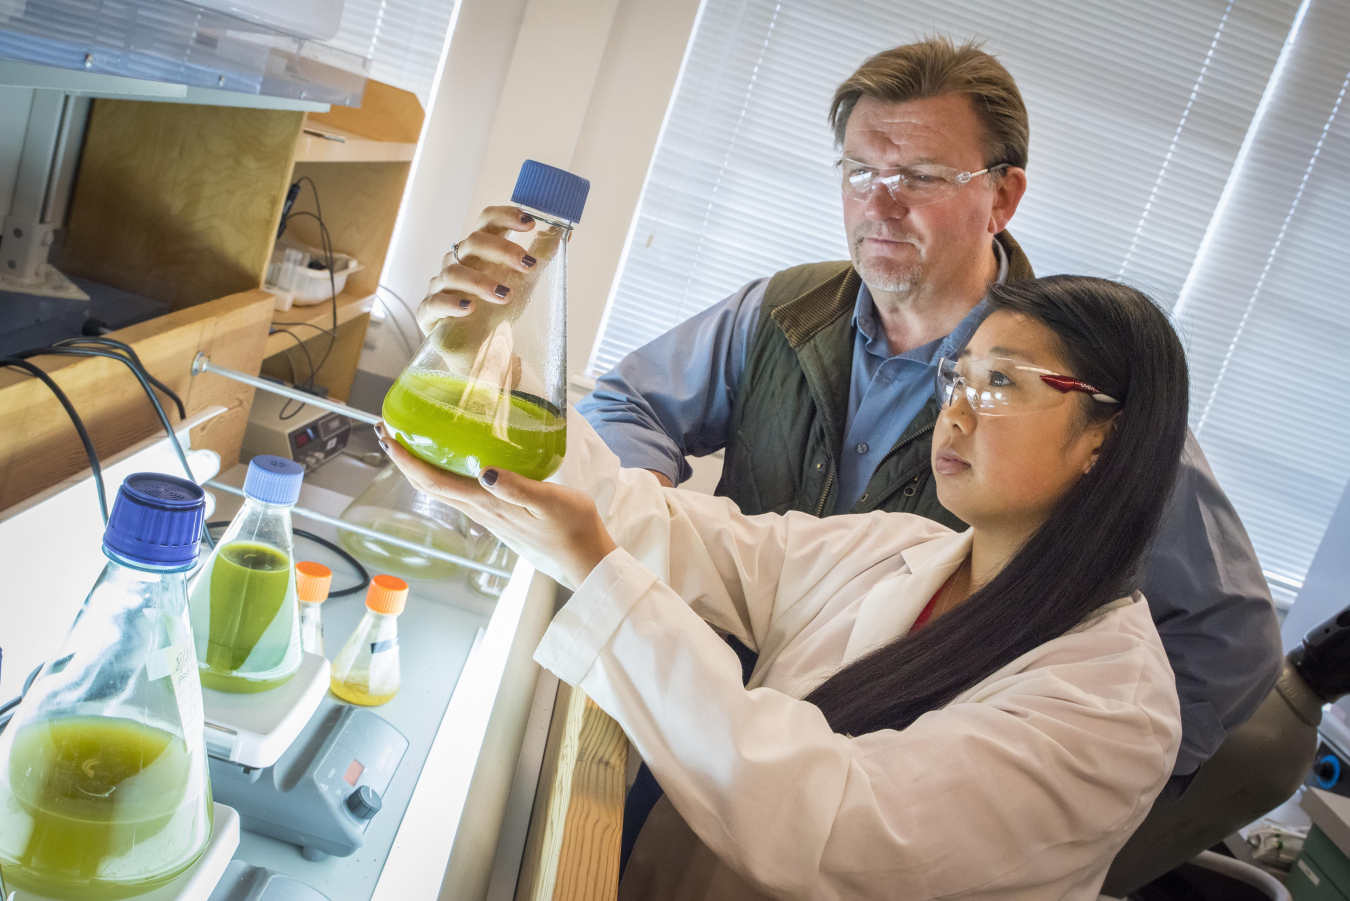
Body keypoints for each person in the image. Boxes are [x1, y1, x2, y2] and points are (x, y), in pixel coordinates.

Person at [414, 37, 1281, 789]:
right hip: (710, 705)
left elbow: (1230, 637)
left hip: (894, 780)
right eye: (861, 170)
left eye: (922, 176)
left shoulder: (1076, 386)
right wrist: (636, 521)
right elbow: (627, 404)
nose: (880, 201)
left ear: (1004, 196)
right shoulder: (789, 307)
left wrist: (1083, 795)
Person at [382, 275, 1189, 900]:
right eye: (957, 376)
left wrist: (598, 569)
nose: (953, 414)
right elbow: (670, 530)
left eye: (1001, 383)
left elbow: (831, 823)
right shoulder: (903, 548)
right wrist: (486, 385)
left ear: (1105, 437)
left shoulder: (1110, 708)